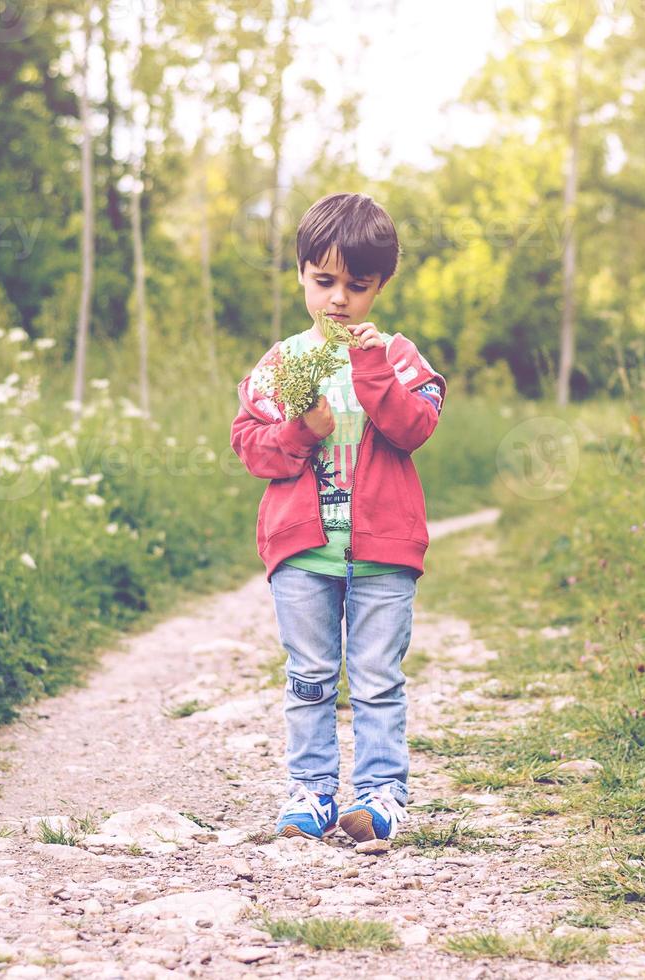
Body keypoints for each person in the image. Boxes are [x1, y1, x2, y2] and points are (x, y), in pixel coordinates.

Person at [229, 191, 446, 844]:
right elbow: (252, 448)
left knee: (378, 679)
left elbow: (413, 429)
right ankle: (312, 793)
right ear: (301, 274)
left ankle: (382, 797)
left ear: (380, 285)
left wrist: (372, 369)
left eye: (358, 285)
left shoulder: (401, 358)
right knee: (310, 679)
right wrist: (301, 430)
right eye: (324, 281)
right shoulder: (279, 365)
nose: (339, 300)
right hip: (302, 554)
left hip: (384, 554)